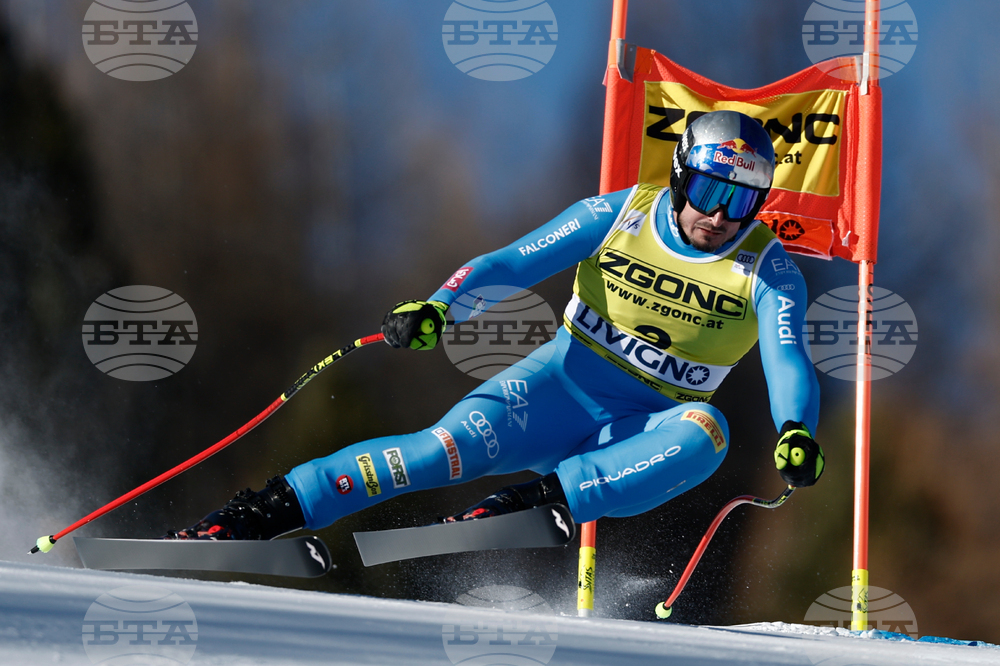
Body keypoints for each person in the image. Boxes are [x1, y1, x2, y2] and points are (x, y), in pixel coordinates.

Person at [166, 110, 823, 542]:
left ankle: (540, 505)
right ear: (681, 178)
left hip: (644, 430)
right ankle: (253, 517)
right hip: (556, 391)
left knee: (709, 432)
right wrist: (440, 307)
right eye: (709, 192)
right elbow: (513, 261)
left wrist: (797, 431)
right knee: (435, 454)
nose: (720, 216)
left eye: (741, 201)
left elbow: (787, 358)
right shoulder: (622, 213)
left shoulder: (767, 268)